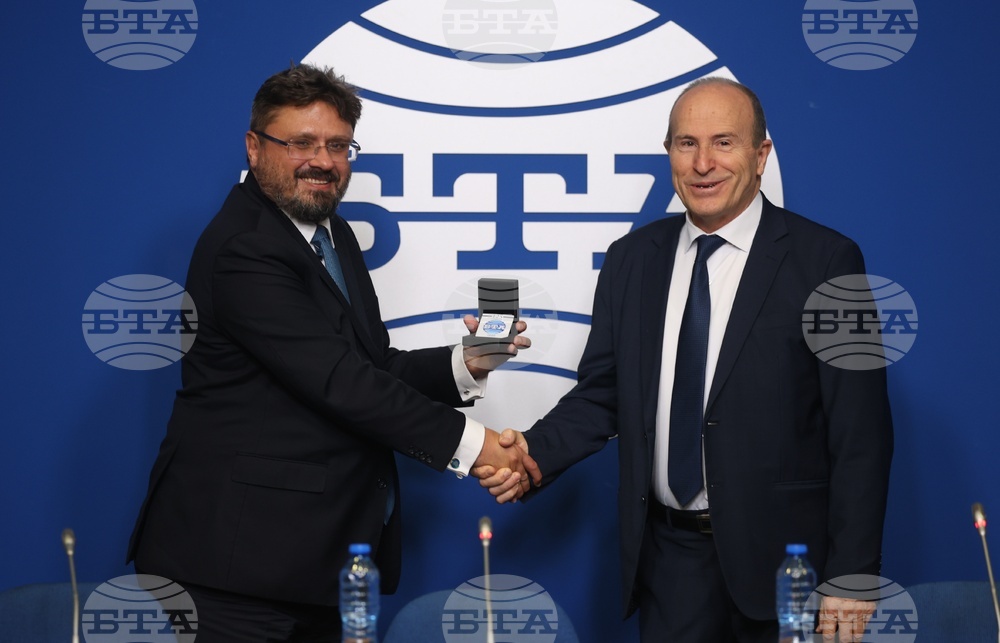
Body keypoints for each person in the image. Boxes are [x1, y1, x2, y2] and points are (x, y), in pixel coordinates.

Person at [126, 63, 538, 642]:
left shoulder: (331, 233)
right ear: (254, 147)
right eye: (301, 143)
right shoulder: (245, 247)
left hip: (309, 562)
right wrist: (481, 448)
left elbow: (371, 365)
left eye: (338, 145)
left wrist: (466, 363)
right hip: (232, 571)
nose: (322, 160)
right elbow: (343, 383)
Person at [478, 77, 893, 642]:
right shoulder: (631, 260)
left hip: (787, 566)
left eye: (724, 142)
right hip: (669, 565)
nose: (702, 164)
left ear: (760, 155)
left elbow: (860, 431)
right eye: (686, 144)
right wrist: (531, 454)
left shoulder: (827, 261)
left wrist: (852, 574)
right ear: (668, 152)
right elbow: (605, 392)